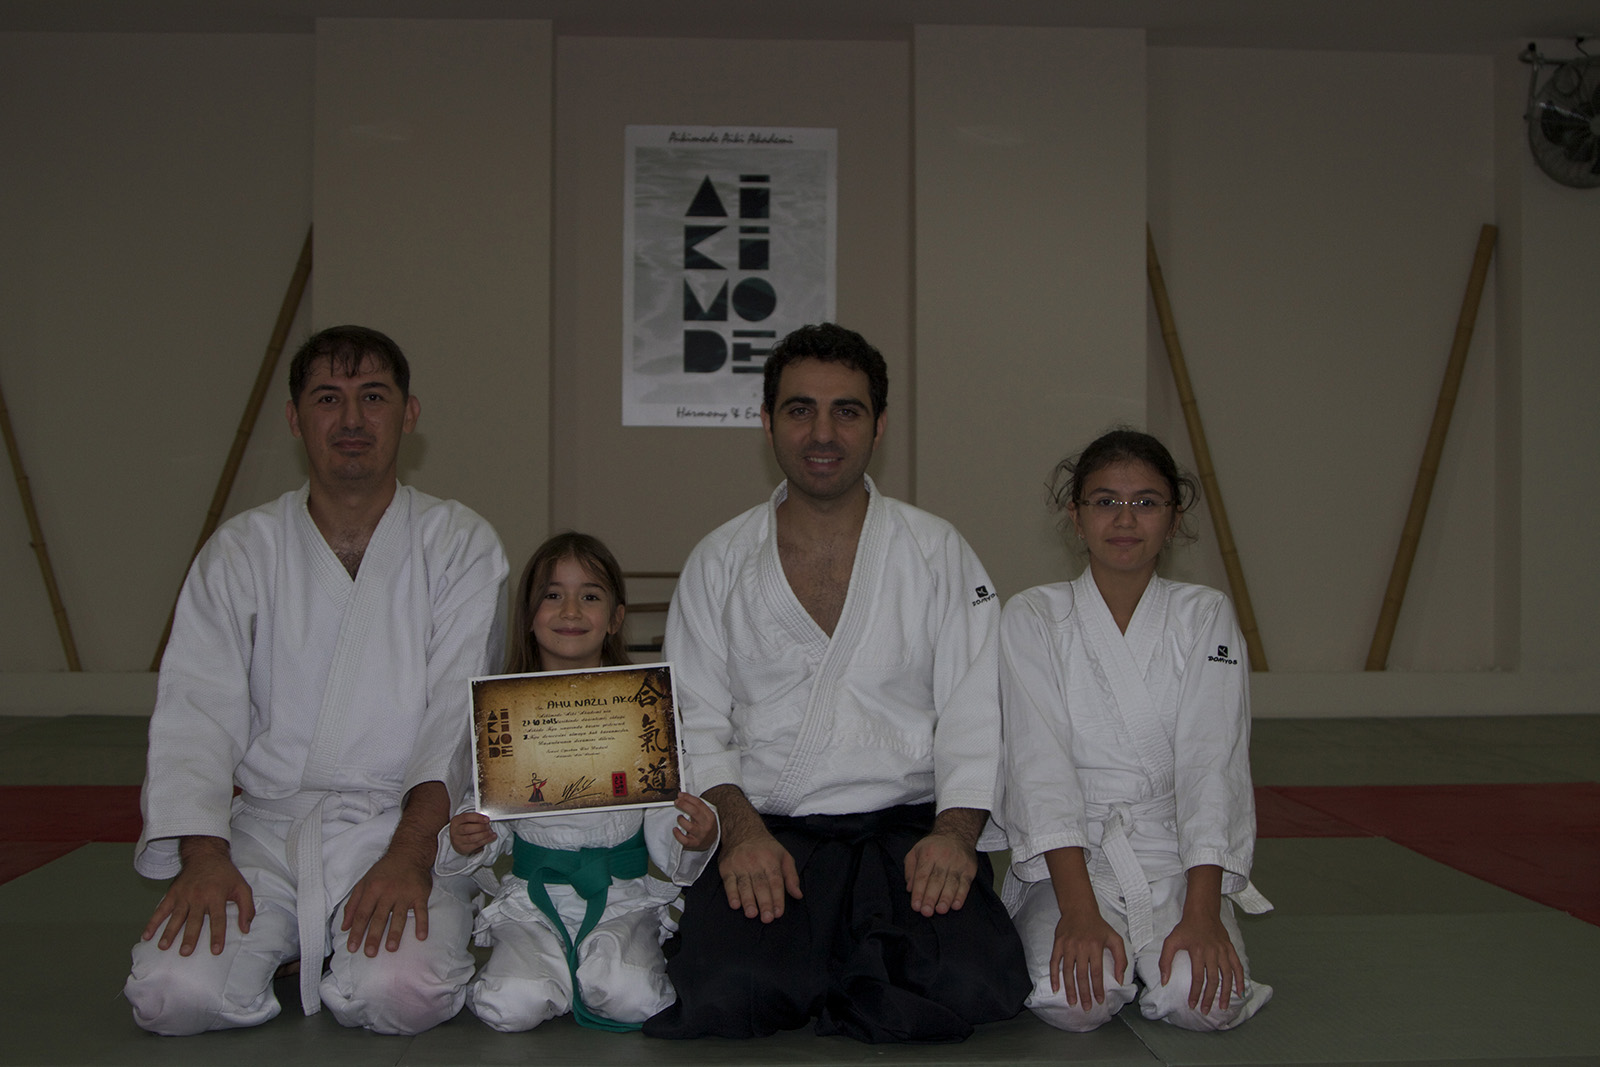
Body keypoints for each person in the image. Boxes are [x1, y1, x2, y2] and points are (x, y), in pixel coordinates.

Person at [644, 323, 1029, 1043]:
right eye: (800, 410)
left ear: (878, 425)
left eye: (846, 411)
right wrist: (740, 832)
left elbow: (976, 712)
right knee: (728, 992)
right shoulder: (719, 560)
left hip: (908, 830)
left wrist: (955, 835)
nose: (823, 433)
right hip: (774, 831)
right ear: (767, 423)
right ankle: (845, 969)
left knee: (975, 983)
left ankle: (833, 966)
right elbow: (694, 720)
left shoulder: (936, 550)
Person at [125, 325, 509, 1036]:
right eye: (328, 398)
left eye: (374, 397)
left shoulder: (459, 544)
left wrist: (410, 853)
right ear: (295, 418)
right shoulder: (241, 550)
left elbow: (456, 720)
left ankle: (327, 940)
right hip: (268, 831)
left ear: (409, 414)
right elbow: (194, 714)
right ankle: (300, 935)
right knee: (172, 995)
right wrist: (204, 856)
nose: (352, 419)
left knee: (403, 995)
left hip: (399, 824)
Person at [998, 429, 1272, 1033]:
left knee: (1203, 1004)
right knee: (1074, 1003)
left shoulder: (1204, 614)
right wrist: (1078, 912)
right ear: (1075, 516)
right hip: (1072, 859)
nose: (1125, 520)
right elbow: (1038, 767)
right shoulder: (1034, 615)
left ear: (1174, 520)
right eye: (1105, 502)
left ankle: (1171, 939)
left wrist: (1202, 914)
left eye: (1146, 502)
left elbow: (1212, 764)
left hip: (1175, 855)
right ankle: (1074, 929)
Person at [437, 532, 720, 1033]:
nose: (570, 610)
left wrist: (691, 834)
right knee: (512, 1005)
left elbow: (664, 805)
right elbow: (484, 807)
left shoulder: (643, 710)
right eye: (552, 594)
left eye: (590, 596)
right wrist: (470, 834)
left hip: (620, 895)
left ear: (615, 618)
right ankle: (552, 971)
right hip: (534, 898)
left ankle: (590, 969)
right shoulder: (502, 715)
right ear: (528, 615)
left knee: (635, 999)